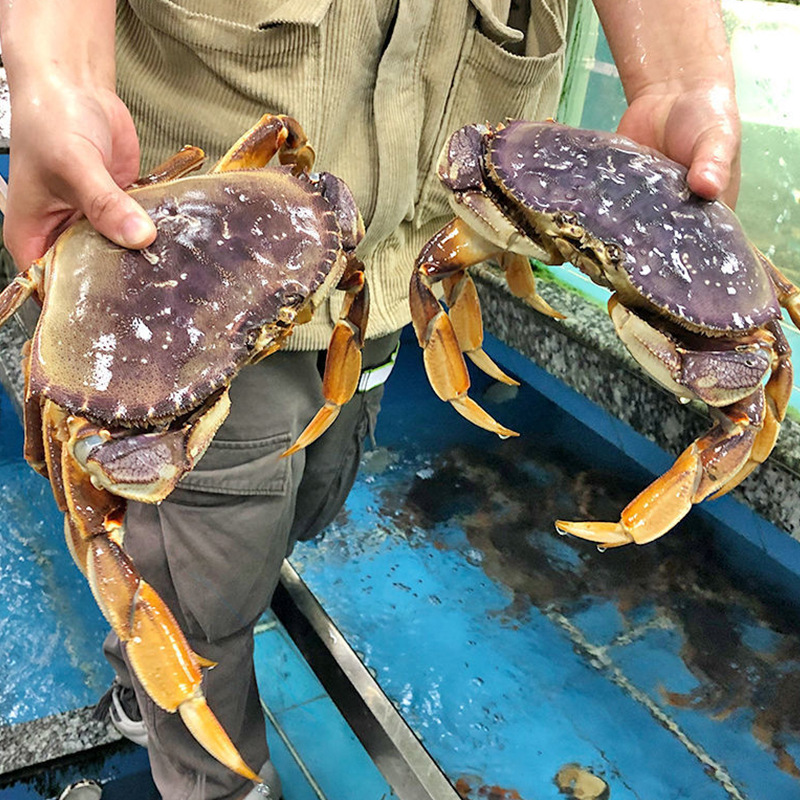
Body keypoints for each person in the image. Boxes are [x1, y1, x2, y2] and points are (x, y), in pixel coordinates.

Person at [0, 1, 740, 799]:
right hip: (162, 303)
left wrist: (677, 73)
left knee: (308, 501)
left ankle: (146, 675)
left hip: (376, 266)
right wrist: (60, 75)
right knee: (190, 593)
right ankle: (211, 772)